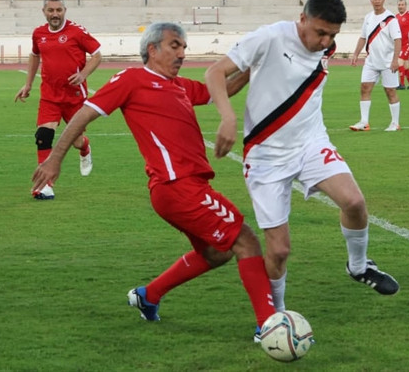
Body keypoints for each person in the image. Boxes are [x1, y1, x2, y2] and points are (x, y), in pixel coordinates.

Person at [31, 22, 276, 342]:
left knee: (217, 253)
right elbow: (84, 114)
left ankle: (149, 295)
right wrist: (55, 158)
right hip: (177, 185)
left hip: (183, 188)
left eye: (184, 47)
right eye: (175, 46)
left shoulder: (180, 85)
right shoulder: (132, 79)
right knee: (246, 241)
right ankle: (269, 326)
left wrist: (253, 64)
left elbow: (224, 89)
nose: (182, 53)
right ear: (152, 49)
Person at [205, 0, 399, 313]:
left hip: (311, 143)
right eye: (320, 32)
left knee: (354, 202)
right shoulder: (270, 37)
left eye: (332, 35)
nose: (325, 41)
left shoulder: (326, 47)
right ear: (302, 19)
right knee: (279, 250)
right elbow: (214, 73)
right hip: (266, 155)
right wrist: (228, 117)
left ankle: (358, 266)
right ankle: (276, 318)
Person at [15, 0, 102, 200]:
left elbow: (97, 55)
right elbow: (35, 55)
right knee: (43, 136)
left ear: (64, 11)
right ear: (44, 12)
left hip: (74, 96)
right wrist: (28, 84)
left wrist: (83, 75)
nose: (55, 14)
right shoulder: (39, 33)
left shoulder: (77, 32)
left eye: (59, 10)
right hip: (50, 96)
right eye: (51, 10)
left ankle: (85, 147)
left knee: (76, 141)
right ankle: (45, 186)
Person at [348, 0, 403, 132]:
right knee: (364, 88)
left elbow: (398, 40)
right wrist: (355, 54)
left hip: (387, 62)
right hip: (371, 61)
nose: (377, 1)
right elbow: (363, 37)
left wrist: (395, 60)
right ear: (370, 0)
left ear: (383, 0)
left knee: (390, 91)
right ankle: (364, 122)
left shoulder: (390, 19)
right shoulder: (368, 17)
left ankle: (395, 123)